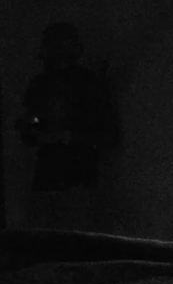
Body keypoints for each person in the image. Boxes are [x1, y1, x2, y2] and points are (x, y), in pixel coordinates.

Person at [15, 21, 121, 230]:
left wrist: (69, 136)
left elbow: (106, 132)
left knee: (75, 238)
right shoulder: (41, 84)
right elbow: (30, 129)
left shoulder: (86, 83)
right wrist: (31, 127)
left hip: (78, 176)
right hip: (49, 177)